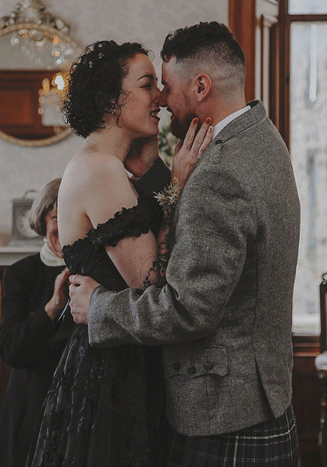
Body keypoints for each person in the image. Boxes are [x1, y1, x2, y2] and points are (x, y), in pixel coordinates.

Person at [67, 22, 301, 466]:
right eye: (150, 86)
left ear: (200, 86)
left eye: (167, 86)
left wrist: (98, 307)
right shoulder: (263, 139)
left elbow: (187, 309)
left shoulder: (219, 173)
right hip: (261, 398)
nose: (160, 98)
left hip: (223, 414)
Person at [26, 40, 208, 466]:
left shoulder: (107, 164)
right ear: (111, 99)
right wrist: (179, 187)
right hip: (114, 369)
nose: (160, 98)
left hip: (117, 354)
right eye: (147, 85)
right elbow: (151, 283)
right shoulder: (100, 169)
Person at [0, 179, 73, 466]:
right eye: (57, 217)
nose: (66, 226)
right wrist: (53, 306)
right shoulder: (21, 273)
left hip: (79, 406)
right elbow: (12, 351)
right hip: (32, 406)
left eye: (74, 215)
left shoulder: (97, 271)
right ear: (42, 221)